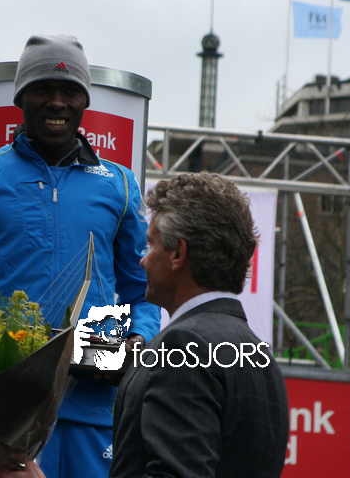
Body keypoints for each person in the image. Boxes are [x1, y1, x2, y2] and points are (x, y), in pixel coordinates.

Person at [0, 34, 161, 478]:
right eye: (42, 89)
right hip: (4, 416)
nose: (57, 102)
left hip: (93, 410)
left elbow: (144, 294)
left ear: (85, 100)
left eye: (70, 91)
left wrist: (135, 343)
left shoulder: (120, 184)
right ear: (20, 97)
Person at [111, 172, 289, 478]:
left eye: (150, 244)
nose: (142, 260)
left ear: (178, 253)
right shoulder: (262, 359)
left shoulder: (183, 347)